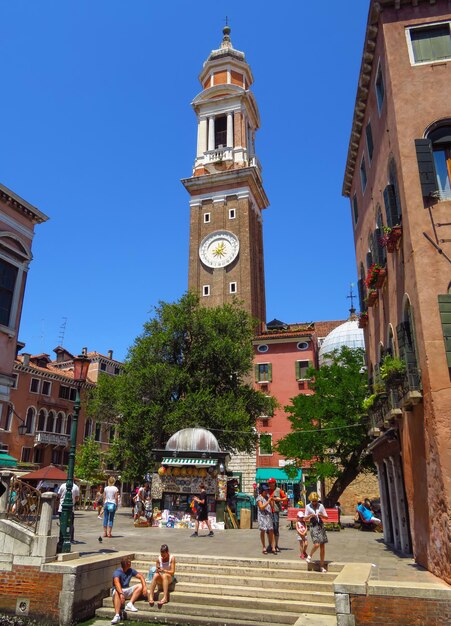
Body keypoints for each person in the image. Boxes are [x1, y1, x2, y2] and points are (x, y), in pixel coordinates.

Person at [111, 557, 148, 625]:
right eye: (129, 562)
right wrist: (121, 594)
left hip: (126, 590)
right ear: (126, 564)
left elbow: (141, 577)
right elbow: (117, 583)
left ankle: (130, 604)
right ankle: (117, 616)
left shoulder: (130, 570)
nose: (130, 563)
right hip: (118, 591)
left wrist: (145, 587)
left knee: (140, 586)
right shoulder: (117, 572)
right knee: (117, 591)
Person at [304, 492, 328, 573]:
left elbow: (326, 517)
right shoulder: (308, 506)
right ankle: (310, 555)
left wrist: (321, 515)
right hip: (313, 526)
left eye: (315, 501)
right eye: (313, 501)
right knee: (316, 544)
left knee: (322, 547)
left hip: (320, 525)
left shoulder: (320, 506)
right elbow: (304, 518)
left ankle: (322, 566)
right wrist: (310, 516)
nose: (314, 503)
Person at [148, 543, 176, 607]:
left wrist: (164, 570)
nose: (162, 556)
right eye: (161, 555)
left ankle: (165, 597)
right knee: (155, 575)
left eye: (164, 555)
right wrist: (158, 570)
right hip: (161, 577)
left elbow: (172, 572)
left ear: (167, 552)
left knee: (164, 575)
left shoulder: (172, 558)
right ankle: (151, 596)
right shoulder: (159, 559)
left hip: (169, 577)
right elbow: (157, 569)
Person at [267, 477, 288, 552]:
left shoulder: (278, 490)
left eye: (270, 483)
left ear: (274, 483)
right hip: (268, 511)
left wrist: (280, 499)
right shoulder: (267, 490)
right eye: (268, 483)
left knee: (275, 527)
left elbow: (286, 498)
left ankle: (276, 545)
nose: (269, 484)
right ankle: (270, 545)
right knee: (268, 529)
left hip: (275, 511)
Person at [256, 484, 276, 554]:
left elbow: (272, 507)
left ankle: (273, 547)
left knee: (271, 530)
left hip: (268, 516)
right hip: (262, 517)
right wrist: (268, 501)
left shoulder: (267, 497)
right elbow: (261, 507)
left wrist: (272, 501)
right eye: (265, 490)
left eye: (267, 490)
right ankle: (264, 547)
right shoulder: (259, 498)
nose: (267, 491)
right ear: (262, 491)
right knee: (263, 531)